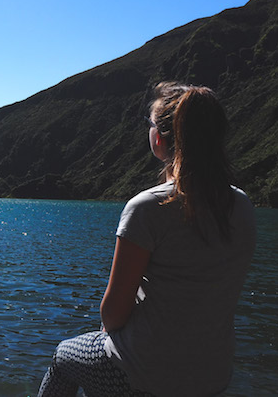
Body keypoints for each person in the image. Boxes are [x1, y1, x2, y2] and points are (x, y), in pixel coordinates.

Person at [37, 82, 257, 397]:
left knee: (64, 357)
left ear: (159, 138)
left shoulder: (149, 207)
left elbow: (112, 314)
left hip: (147, 376)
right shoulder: (242, 206)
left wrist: (110, 333)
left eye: (151, 124)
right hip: (212, 376)